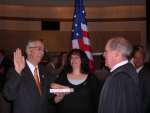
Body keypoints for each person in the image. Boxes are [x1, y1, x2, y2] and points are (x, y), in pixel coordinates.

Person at [3, 39, 51, 113]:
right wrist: (18, 72)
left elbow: (45, 94)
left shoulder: (43, 70)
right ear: (29, 51)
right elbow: (9, 95)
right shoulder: (16, 70)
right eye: (39, 49)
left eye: (43, 50)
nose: (42, 52)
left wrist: (56, 96)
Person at [98, 37, 143, 113]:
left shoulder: (119, 78)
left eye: (106, 51)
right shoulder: (125, 72)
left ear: (117, 54)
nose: (103, 55)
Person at [51, 49, 100, 113]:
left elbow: (97, 100)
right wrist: (58, 98)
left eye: (76, 57)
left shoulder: (91, 78)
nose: (73, 59)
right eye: (71, 57)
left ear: (82, 60)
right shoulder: (62, 77)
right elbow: (53, 100)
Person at [131, 45, 150, 113]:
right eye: (136, 57)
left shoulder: (147, 74)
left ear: (144, 59)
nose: (137, 60)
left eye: (140, 57)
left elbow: (147, 97)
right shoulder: (131, 72)